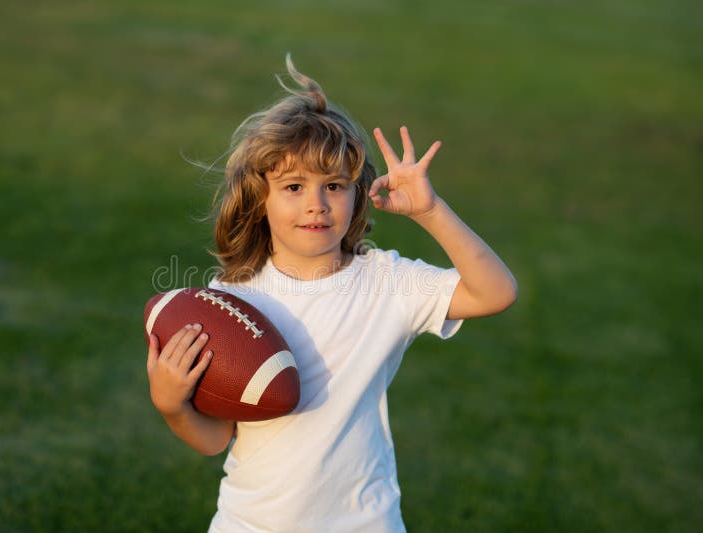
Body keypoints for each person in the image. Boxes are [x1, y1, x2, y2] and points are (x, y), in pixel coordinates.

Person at [146, 54, 517, 532]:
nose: (316, 205)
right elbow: (216, 438)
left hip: (362, 523)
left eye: (334, 186)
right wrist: (171, 405)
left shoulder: (388, 282)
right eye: (294, 186)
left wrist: (431, 211)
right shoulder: (232, 298)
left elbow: (496, 292)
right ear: (261, 198)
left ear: (357, 194)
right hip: (251, 522)